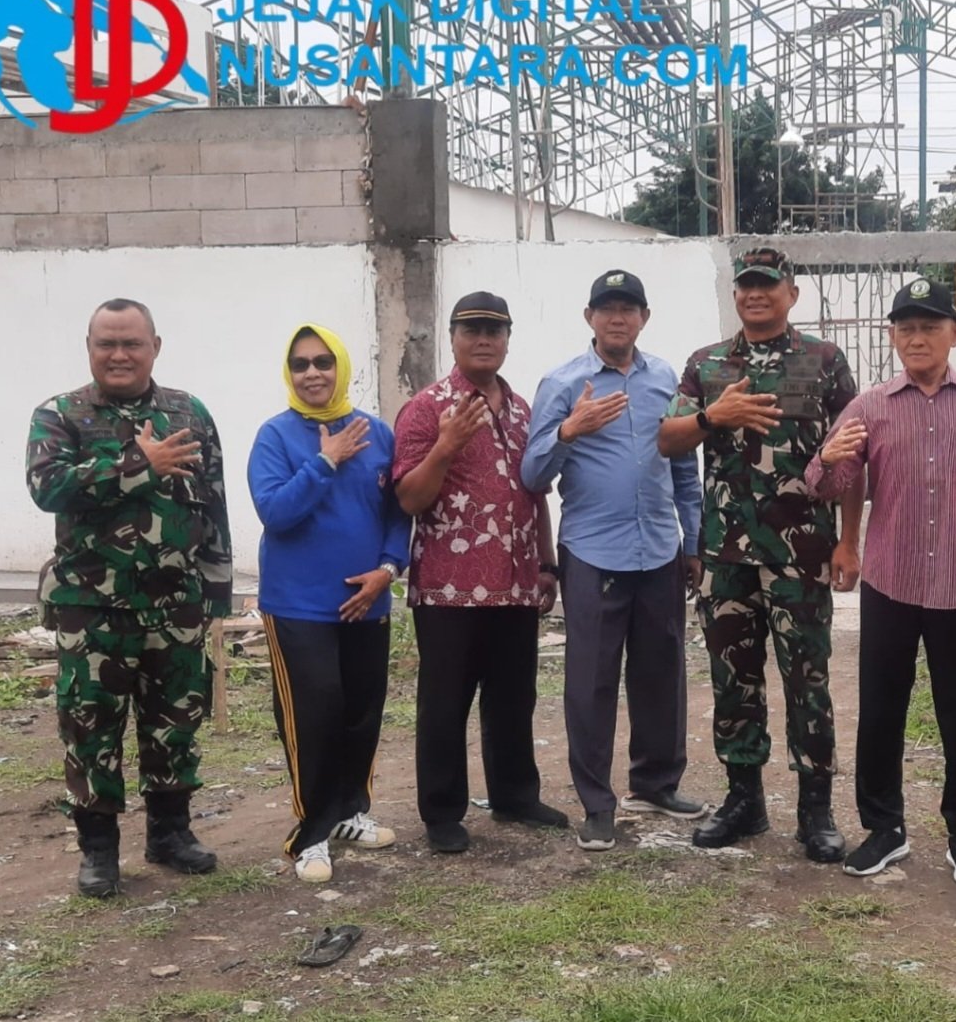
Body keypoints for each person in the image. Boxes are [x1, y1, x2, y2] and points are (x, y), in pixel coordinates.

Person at [805, 278, 956, 886]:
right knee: (881, 711)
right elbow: (826, 485)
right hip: (891, 584)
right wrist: (826, 459)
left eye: (930, 327)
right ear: (893, 337)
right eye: (906, 328)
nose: (918, 338)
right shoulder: (869, 406)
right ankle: (885, 829)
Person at [658, 246, 862, 863]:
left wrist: (849, 540)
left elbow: (853, 457)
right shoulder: (706, 364)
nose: (755, 294)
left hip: (801, 553)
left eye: (768, 285)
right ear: (736, 294)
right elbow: (667, 440)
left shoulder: (824, 361)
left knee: (807, 680)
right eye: (746, 285)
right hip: (725, 555)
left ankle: (815, 810)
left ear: (790, 294)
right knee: (733, 681)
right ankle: (744, 800)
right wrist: (712, 416)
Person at [26, 299, 232, 898]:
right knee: (90, 726)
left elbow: (213, 498)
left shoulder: (188, 413)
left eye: (131, 344)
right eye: (107, 344)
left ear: (154, 347)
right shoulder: (59, 415)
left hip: (176, 603)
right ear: (89, 347)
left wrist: (217, 588)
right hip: (91, 606)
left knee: (175, 722)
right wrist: (141, 463)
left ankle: (170, 833)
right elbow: (48, 488)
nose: (119, 355)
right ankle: (98, 849)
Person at [521, 270, 707, 852]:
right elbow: (532, 475)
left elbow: (683, 465)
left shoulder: (666, 379)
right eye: (607, 308)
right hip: (593, 554)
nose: (617, 318)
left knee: (661, 673)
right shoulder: (562, 383)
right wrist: (568, 431)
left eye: (628, 308)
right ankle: (597, 804)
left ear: (644, 318)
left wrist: (692, 541)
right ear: (590, 318)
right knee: (591, 682)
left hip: (659, 550)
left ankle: (656, 782)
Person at [393, 291, 568, 854]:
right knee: (445, 704)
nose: (484, 339)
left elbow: (535, 492)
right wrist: (445, 446)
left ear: (508, 339)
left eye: (495, 330)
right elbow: (409, 498)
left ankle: (515, 795)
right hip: (449, 586)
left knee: (514, 697)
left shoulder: (523, 411)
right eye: (472, 329)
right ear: (453, 337)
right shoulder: (426, 408)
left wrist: (546, 563)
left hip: (515, 583)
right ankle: (442, 811)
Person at [247, 324, 412, 883]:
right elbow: (276, 513)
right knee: (314, 713)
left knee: (362, 711)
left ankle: (350, 812)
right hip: (299, 604)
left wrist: (387, 569)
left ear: (341, 367)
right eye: (300, 364)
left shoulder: (378, 433)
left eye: (323, 362)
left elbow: (397, 513)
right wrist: (325, 461)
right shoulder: (276, 437)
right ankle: (311, 833)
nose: (312, 373)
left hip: (368, 600)